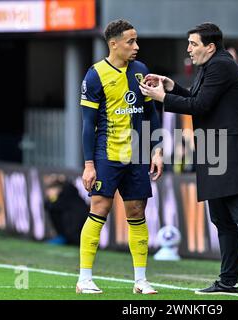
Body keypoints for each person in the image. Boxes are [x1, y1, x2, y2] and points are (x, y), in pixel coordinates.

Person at [140, 23, 238, 296]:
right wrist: (172, 86)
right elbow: (198, 98)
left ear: (210, 46)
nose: (188, 49)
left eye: (193, 44)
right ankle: (228, 280)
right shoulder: (210, 65)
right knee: (222, 219)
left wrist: (162, 97)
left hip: (230, 151)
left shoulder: (221, 66)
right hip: (213, 150)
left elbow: (200, 106)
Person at [77, 19, 163, 295]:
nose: (136, 47)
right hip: (106, 155)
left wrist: (156, 149)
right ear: (114, 44)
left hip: (137, 155)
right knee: (99, 210)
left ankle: (140, 280)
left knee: (137, 212)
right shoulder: (95, 75)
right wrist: (89, 164)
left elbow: (151, 114)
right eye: (131, 42)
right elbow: (87, 125)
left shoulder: (141, 71)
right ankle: (84, 278)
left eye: (136, 41)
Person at [44, 174, 88, 245]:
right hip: (68, 235)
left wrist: (60, 179)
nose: (50, 192)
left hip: (78, 233)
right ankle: (63, 238)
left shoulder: (69, 193)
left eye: (53, 189)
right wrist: (52, 199)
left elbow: (70, 188)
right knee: (54, 211)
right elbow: (48, 205)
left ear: (59, 189)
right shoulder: (55, 201)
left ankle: (69, 240)